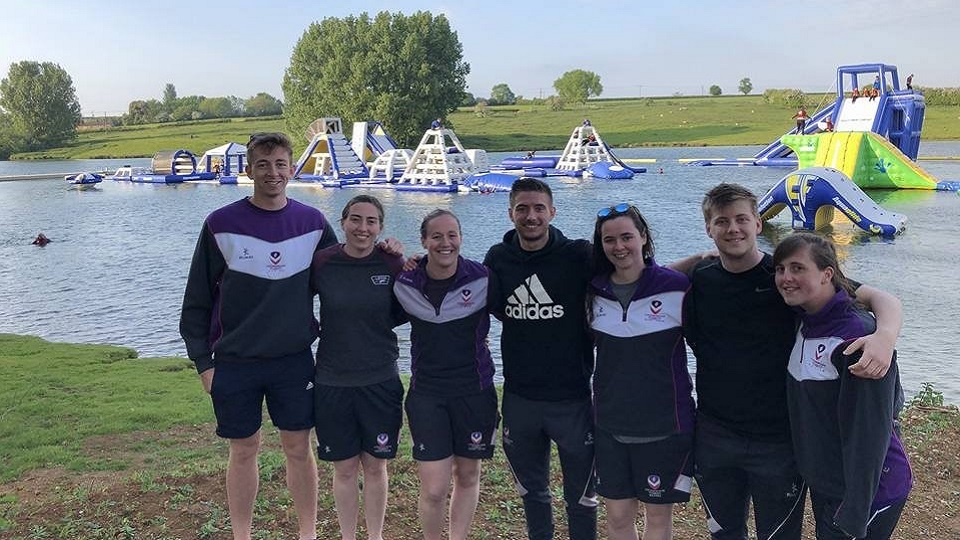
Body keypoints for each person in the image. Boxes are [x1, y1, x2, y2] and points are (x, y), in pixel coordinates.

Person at [682, 183, 902, 540]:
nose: (732, 228)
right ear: (709, 229)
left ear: (758, 223)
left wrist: (885, 336)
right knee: (723, 534)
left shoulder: (786, 278)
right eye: (721, 222)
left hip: (779, 441)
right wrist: (692, 260)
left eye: (742, 219)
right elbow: (643, 280)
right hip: (715, 435)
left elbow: (874, 296)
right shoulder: (698, 282)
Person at [180, 132, 338, 540]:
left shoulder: (314, 223)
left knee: (299, 450)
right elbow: (196, 301)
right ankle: (241, 534)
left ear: (292, 168)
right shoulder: (220, 224)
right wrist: (204, 364)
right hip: (234, 362)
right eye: (263, 165)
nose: (273, 173)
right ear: (248, 170)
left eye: (281, 164)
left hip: (293, 359)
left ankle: (308, 533)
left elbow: (345, 280)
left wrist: (389, 256)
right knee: (243, 450)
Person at [773, 233, 912, 540]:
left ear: (827, 275)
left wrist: (855, 510)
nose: (786, 277)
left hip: (869, 489)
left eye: (797, 268)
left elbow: (869, 434)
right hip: (831, 481)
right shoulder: (805, 318)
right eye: (780, 269)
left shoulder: (857, 337)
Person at [484, 177, 598, 540]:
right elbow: (494, 307)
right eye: (522, 209)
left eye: (538, 209)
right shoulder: (498, 258)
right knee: (532, 494)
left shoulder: (579, 255)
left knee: (581, 498)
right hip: (521, 398)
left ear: (552, 211)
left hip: (573, 397)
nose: (530, 216)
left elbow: (635, 271)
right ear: (510, 213)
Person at [588, 203, 695, 540]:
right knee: (618, 518)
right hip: (610, 424)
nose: (619, 247)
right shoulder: (592, 291)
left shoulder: (676, 287)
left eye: (626, 237)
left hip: (664, 426)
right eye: (609, 240)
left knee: (658, 521)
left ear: (643, 237)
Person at [394, 209, 499, 540]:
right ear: (424, 241)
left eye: (452, 235)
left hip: (475, 390)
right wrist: (393, 253)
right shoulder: (405, 281)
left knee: (468, 476)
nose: (445, 242)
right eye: (436, 236)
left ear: (461, 239)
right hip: (428, 394)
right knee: (436, 487)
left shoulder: (483, 278)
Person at [311, 195, 406, 540]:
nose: (362, 228)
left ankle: (375, 536)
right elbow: (294, 303)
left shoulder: (392, 263)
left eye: (371, 221)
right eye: (355, 219)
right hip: (332, 381)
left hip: (380, 379)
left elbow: (407, 308)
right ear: (343, 222)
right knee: (345, 469)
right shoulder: (322, 263)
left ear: (380, 227)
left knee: (376, 466)